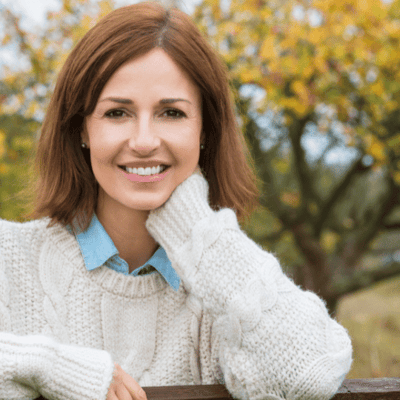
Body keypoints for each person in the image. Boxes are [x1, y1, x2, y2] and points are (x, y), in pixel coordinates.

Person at [0, 2, 352, 400]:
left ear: (205, 129)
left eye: (171, 113)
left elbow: (308, 374)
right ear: (83, 128)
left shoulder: (224, 283)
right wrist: (52, 368)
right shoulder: (9, 258)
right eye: (117, 113)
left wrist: (194, 225)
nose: (145, 141)